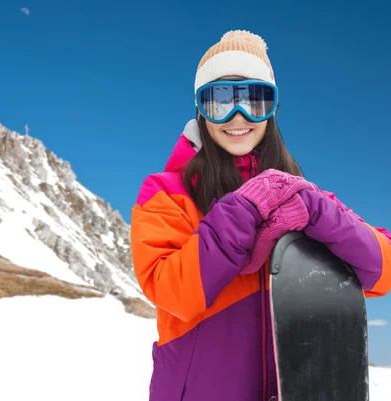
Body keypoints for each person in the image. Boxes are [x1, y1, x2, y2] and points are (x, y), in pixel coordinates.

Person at [130, 29, 391, 401]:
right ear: (201, 112)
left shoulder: (304, 198)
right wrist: (244, 208)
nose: (237, 117)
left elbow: (383, 269)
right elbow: (174, 291)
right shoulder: (165, 192)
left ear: (273, 110)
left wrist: (318, 212)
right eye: (219, 102)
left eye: (254, 100)